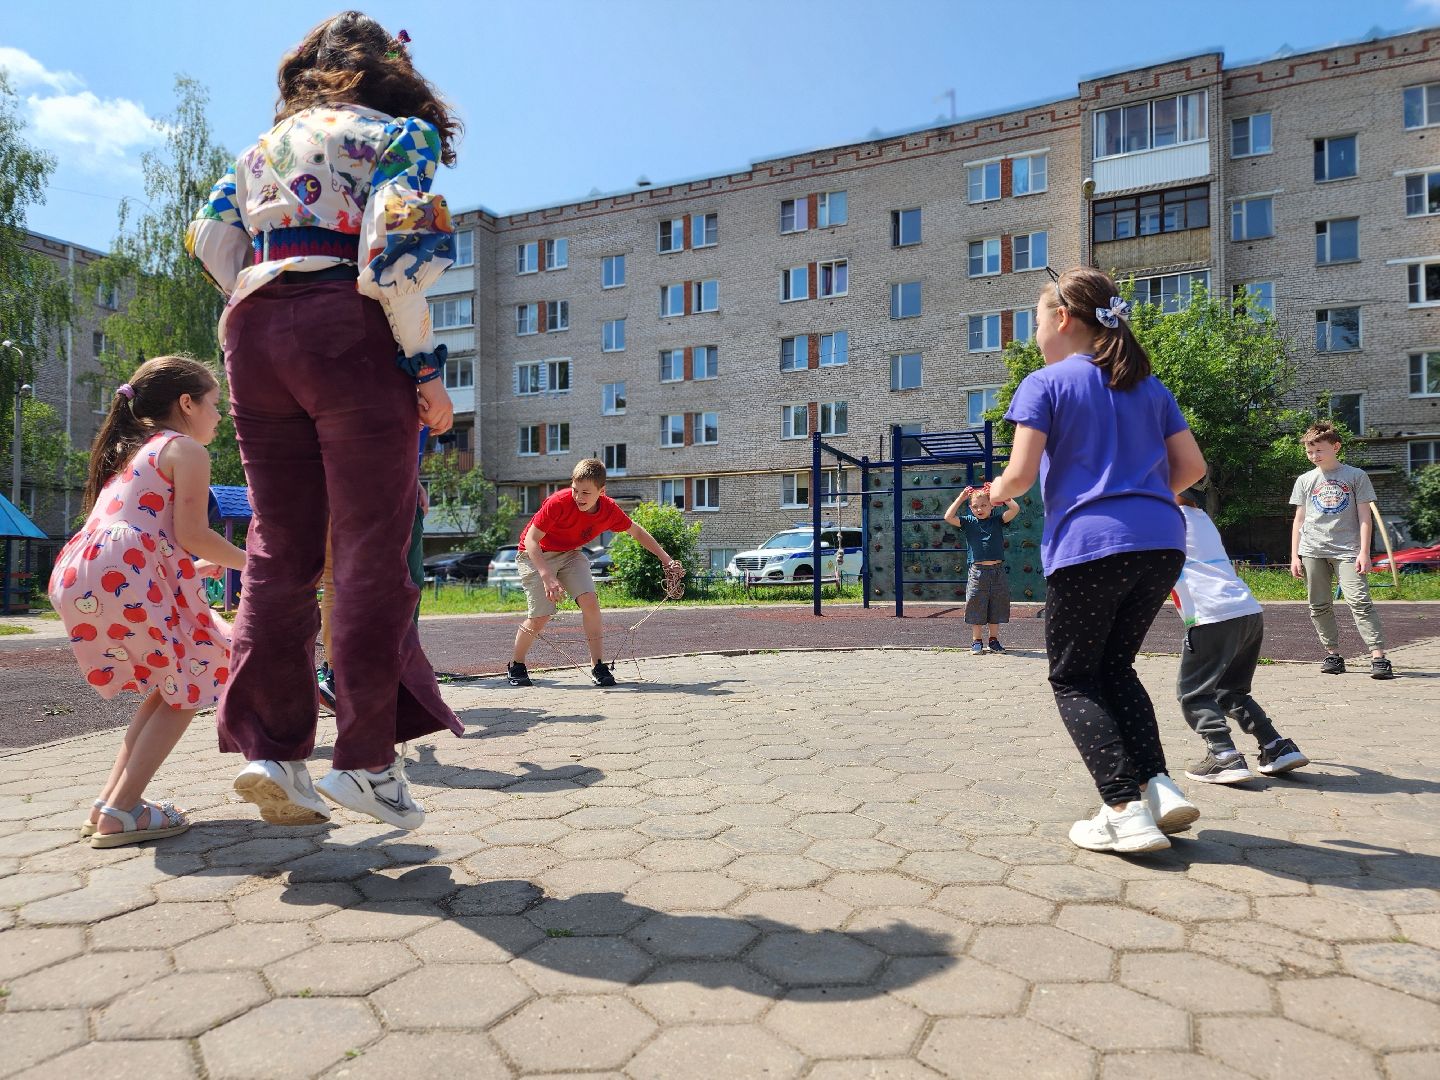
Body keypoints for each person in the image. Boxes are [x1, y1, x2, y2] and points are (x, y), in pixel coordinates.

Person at [186, 11, 463, 832]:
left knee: (278, 546)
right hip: (350, 321)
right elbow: (394, 250)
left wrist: (263, 296)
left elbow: (208, 237)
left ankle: (273, 751)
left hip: (255, 325)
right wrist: (422, 367)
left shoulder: (255, 149)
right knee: (374, 548)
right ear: (390, 73)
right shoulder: (398, 133)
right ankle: (369, 763)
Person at [988, 267, 1208, 855]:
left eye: (1036, 321)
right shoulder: (1149, 386)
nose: (1035, 334)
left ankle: (1121, 807)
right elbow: (1191, 470)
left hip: (1089, 547)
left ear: (1063, 319)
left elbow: (1021, 475)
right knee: (1116, 669)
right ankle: (1157, 787)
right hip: (1162, 543)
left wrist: (994, 493)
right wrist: (1142, 496)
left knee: (1073, 676)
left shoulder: (1045, 382)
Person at [48, 358, 246, 847]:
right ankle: (122, 808)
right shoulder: (184, 449)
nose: (219, 416)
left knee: (174, 678)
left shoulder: (132, 452)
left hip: (87, 572)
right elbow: (194, 534)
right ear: (186, 404)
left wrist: (191, 571)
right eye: (214, 404)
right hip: (122, 572)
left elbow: (151, 535)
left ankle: (109, 802)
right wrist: (258, 561)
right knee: (203, 665)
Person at [1171, 479, 1308, 784]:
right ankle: (1275, 746)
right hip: (1246, 611)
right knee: (1229, 691)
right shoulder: (1200, 518)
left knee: (1193, 693)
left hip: (1211, 617)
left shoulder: (1166, 519)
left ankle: (1223, 756)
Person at [509, 458, 682, 688]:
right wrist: (547, 576)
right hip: (535, 554)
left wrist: (667, 560)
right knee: (541, 615)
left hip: (570, 554)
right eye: (575, 490)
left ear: (602, 491)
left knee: (590, 601)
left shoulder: (609, 509)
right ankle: (516, 664)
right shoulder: (558, 502)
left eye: (586, 493)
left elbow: (637, 532)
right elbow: (531, 540)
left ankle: (598, 666)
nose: (578, 497)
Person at [317, 427, 431, 710]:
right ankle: (342, 675)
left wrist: (413, 479)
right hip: (361, 480)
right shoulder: (392, 389)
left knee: (398, 583)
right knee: (356, 583)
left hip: (390, 482)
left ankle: (352, 674)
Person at [1289, 420, 1393, 679]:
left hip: (1348, 550)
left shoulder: (1356, 476)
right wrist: (1295, 555)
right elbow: (1299, 520)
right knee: (1319, 604)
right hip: (1313, 549)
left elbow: (1364, 518)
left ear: (1335, 447)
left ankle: (1378, 657)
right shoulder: (1305, 480)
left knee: (1359, 601)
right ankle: (1333, 654)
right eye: (1309, 452)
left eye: (1318, 450)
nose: (1313, 456)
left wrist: (1364, 552)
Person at [943, 483, 1020, 654]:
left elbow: (1015, 509)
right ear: (970, 508)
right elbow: (948, 516)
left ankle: (993, 640)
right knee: (976, 604)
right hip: (977, 571)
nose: (980, 509)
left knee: (997, 605)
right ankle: (976, 640)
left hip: (997, 570)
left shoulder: (997, 520)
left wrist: (1002, 495)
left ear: (992, 505)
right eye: (976, 506)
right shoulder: (968, 521)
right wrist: (961, 497)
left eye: (984, 505)